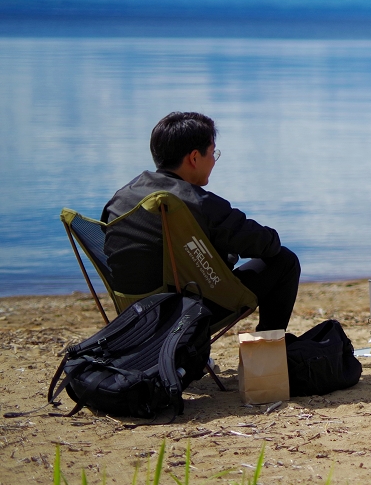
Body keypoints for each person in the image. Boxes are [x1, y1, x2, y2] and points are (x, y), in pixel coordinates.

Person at [102, 112, 301, 331]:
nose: (214, 160)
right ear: (194, 157)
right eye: (213, 152)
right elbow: (267, 244)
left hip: (134, 317)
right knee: (284, 261)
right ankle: (269, 354)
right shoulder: (197, 202)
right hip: (184, 317)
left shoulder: (122, 197)